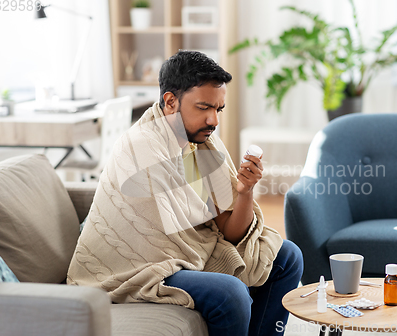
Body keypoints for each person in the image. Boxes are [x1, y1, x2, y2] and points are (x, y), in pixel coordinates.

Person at [67, 50, 303, 336]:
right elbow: (172, 242)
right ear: (170, 102)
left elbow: (228, 232)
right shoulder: (144, 147)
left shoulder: (200, 146)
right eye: (204, 107)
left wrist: (245, 192)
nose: (214, 120)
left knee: (289, 255)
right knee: (230, 293)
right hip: (136, 268)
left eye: (219, 109)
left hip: (181, 256)